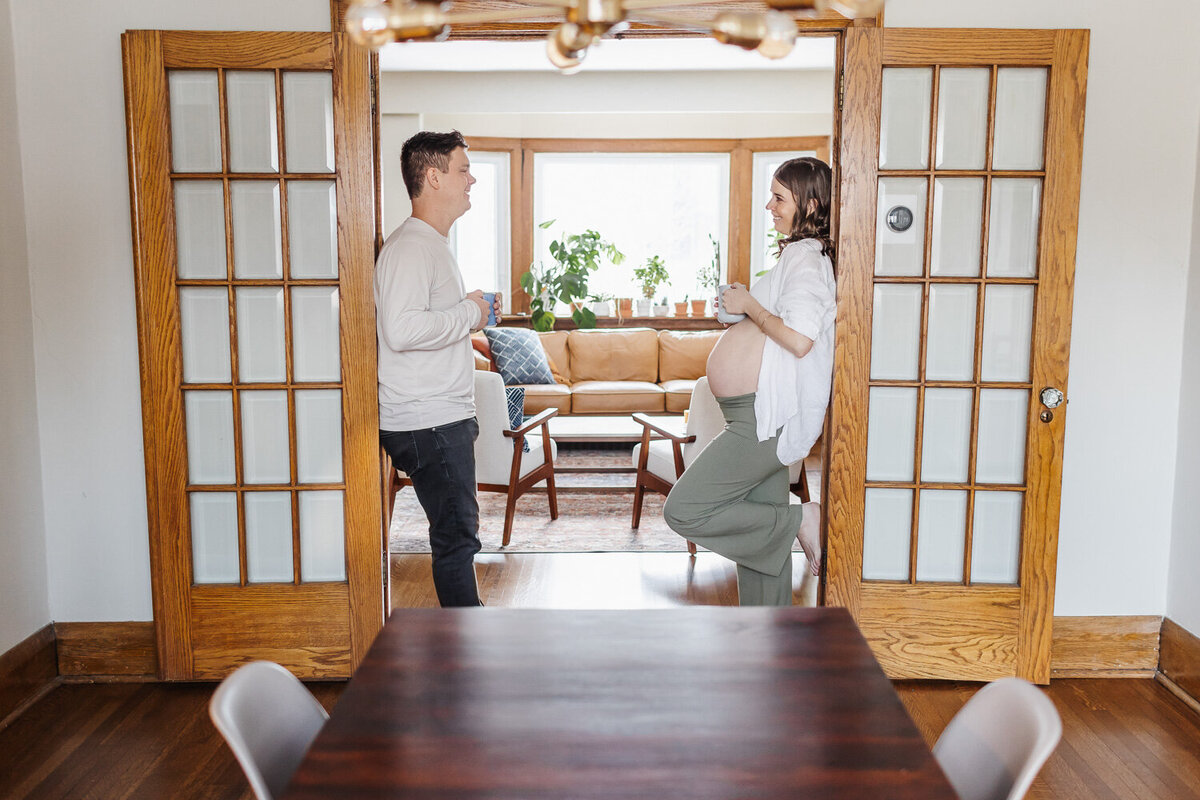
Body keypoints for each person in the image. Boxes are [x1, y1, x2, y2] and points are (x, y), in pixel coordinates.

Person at [664, 157, 836, 606]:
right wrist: (745, 308)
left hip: (764, 416)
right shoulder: (799, 259)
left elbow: (799, 339)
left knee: (685, 509)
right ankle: (767, 645)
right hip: (756, 411)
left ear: (810, 203)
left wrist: (750, 306)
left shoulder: (806, 258)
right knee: (762, 547)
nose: (769, 206)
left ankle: (799, 519)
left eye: (779, 198)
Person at [376, 130, 501, 607]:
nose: (472, 180)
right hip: (429, 421)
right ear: (433, 177)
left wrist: (468, 327)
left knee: (458, 536)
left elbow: (421, 327)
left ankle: (466, 638)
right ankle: (466, 652)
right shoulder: (412, 247)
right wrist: (472, 312)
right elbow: (402, 331)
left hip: (438, 417)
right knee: (457, 540)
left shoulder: (429, 244)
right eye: (463, 169)